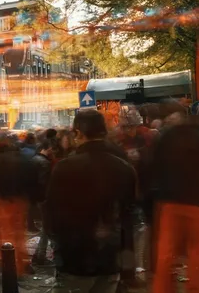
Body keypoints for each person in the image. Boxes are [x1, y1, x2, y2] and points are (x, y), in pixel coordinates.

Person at [45, 110, 137, 293]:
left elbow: (52, 215)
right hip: (111, 258)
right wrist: (128, 266)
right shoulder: (124, 167)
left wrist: (59, 251)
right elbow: (128, 218)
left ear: (78, 133)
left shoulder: (66, 167)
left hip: (76, 257)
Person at [150, 122, 199, 293]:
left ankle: (163, 289)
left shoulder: (168, 137)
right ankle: (196, 289)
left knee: (166, 255)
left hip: (170, 200)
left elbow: (155, 164)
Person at [0, 134, 34, 275]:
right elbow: (30, 177)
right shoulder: (21, 157)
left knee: (2, 233)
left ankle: (7, 265)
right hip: (20, 200)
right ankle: (22, 262)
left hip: (0, 200)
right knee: (18, 233)